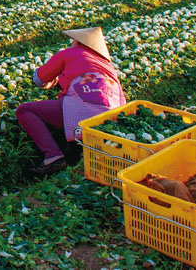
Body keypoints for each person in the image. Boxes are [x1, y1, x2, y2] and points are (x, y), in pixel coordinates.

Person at [16, 27, 126, 176]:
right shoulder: (108, 67)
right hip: (111, 118)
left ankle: (53, 157)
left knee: (24, 110)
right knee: (69, 103)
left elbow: (39, 79)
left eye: (73, 40)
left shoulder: (69, 54)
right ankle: (78, 151)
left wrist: (52, 79)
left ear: (79, 42)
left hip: (81, 110)